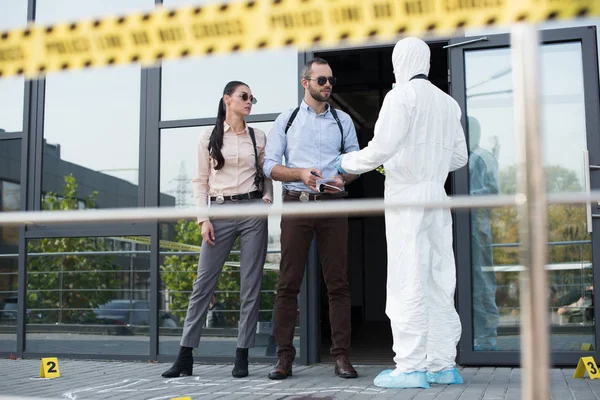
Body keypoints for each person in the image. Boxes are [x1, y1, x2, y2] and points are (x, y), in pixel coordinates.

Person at [335, 37, 468, 388]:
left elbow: (381, 148)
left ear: (401, 62)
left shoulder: (400, 97)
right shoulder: (448, 103)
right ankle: (443, 364)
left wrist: (345, 161)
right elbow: (459, 158)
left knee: (408, 278)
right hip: (437, 196)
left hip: (407, 197)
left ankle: (410, 367)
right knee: (440, 279)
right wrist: (429, 160)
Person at [162, 81, 273, 379]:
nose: (250, 102)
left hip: (251, 211)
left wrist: (266, 198)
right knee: (203, 284)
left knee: (251, 284)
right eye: (244, 97)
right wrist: (203, 219)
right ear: (227, 100)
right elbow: (199, 182)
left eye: (252, 98)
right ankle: (185, 356)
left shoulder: (258, 136)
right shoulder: (208, 137)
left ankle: (242, 355)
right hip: (219, 211)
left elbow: (266, 174)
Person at [263, 58, 360, 380]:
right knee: (288, 283)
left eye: (331, 80)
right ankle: (284, 358)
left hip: (333, 204)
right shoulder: (287, 120)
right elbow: (270, 166)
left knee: (338, 284)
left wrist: (343, 179)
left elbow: (355, 163)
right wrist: (300, 173)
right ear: (306, 83)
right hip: (297, 203)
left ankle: (341, 357)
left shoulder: (343, 120)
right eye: (321, 80)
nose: (328, 85)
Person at [468, 116, 500, 351]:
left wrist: (462, 197)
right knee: (474, 281)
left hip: (477, 227)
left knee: (481, 282)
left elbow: (492, 191)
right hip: (469, 226)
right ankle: (478, 337)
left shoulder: (481, 157)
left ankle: (486, 339)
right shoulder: (468, 157)